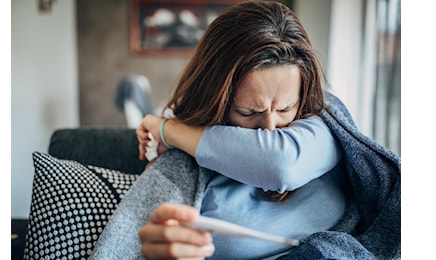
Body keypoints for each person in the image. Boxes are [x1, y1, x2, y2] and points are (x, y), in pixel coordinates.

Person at [91, 1, 401, 259]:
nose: (270, 128)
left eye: (284, 109)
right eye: (248, 112)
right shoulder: (182, 166)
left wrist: (166, 128)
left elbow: (279, 164)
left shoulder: (323, 125)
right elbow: (119, 248)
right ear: (218, 102)